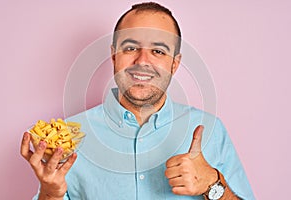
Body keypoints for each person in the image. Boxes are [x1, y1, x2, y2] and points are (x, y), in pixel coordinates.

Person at [21, 2, 255, 200]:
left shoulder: (212, 131)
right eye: (131, 47)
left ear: (175, 63)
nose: (142, 61)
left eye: (159, 51)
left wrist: (213, 184)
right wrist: (50, 194)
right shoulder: (68, 137)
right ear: (114, 56)